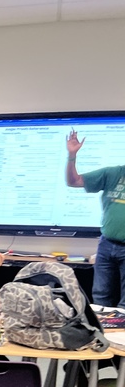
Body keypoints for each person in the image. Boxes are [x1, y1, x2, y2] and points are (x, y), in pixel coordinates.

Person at [66, 128, 125, 307]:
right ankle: (101, 334)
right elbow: (73, 181)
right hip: (106, 244)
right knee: (100, 297)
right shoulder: (113, 173)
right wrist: (72, 156)